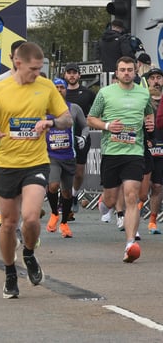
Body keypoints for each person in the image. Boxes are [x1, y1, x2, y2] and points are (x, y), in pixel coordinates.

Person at [0, 42, 72, 298]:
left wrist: (49, 121)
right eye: (33, 69)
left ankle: (28, 253)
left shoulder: (46, 86)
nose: (37, 74)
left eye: (40, 69)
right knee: (8, 223)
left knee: (29, 218)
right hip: (7, 163)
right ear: (18, 63)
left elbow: (67, 118)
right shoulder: (0, 88)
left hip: (36, 162)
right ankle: (9, 273)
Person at [89, 56, 154, 262]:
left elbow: (149, 113)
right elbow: (91, 118)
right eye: (122, 70)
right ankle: (104, 204)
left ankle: (130, 244)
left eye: (130, 70)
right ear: (116, 73)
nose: (126, 73)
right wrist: (108, 126)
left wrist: (149, 123)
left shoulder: (144, 94)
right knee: (110, 198)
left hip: (134, 152)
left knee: (132, 197)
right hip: (111, 152)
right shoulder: (105, 93)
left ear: (135, 72)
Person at [44, 78, 88, 238]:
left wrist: (83, 138)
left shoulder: (73, 108)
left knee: (67, 192)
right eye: (56, 87)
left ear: (66, 90)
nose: (59, 90)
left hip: (69, 155)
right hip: (52, 155)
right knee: (53, 185)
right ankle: (54, 213)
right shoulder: (44, 108)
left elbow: (85, 126)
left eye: (62, 87)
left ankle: (64, 223)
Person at [63, 62, 96, 210]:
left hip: (81, 136)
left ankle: (74, 194)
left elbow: (96, 111)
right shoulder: (60, 92)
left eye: (74, 73)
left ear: (79, 75)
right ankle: (65, 198)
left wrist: (91, 119)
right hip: (61, 136)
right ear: (65, 75)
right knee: (61, 170)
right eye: (69, 73)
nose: (72, 75)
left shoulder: (88, 93)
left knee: (78, 172)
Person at [144, 67, 163, 234]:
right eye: (153, 78)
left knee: (157, 186)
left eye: (159, 77)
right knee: (144, 187)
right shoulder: (142, 100)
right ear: (148, 81)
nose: (156, 81)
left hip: (162, 150)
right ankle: (130, 217)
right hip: (145, 149)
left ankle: (152, 221)